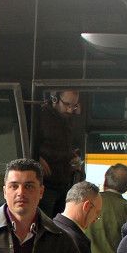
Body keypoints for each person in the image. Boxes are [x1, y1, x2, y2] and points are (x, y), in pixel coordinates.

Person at [33, 89, 83, 217]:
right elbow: (27, 140)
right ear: (54, 99)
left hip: (63, 182)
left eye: (74, 106)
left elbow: (64, 146)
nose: (70, 110)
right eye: (67, 105)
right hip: (46, 184)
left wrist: (73, 157)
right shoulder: (40, 116)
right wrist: (36, 157)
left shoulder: (67, 120)